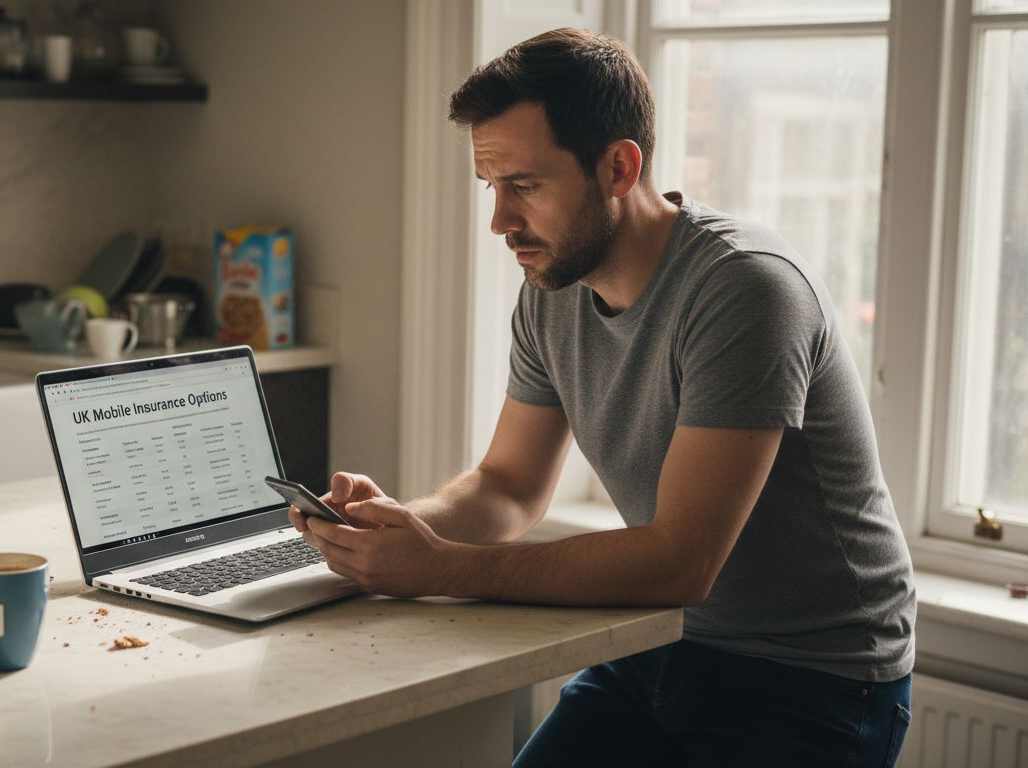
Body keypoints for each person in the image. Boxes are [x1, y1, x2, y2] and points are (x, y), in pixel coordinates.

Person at [288, 27, 915, 767]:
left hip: (814, 678)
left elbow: (681, 560)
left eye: (524, 186)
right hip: (661, 639)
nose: (500, 221)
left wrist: (436, 567)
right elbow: (508, 487)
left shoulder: (747, 289)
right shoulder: (552, 287)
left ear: (618, 166)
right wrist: (393, 529)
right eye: (492, 187)